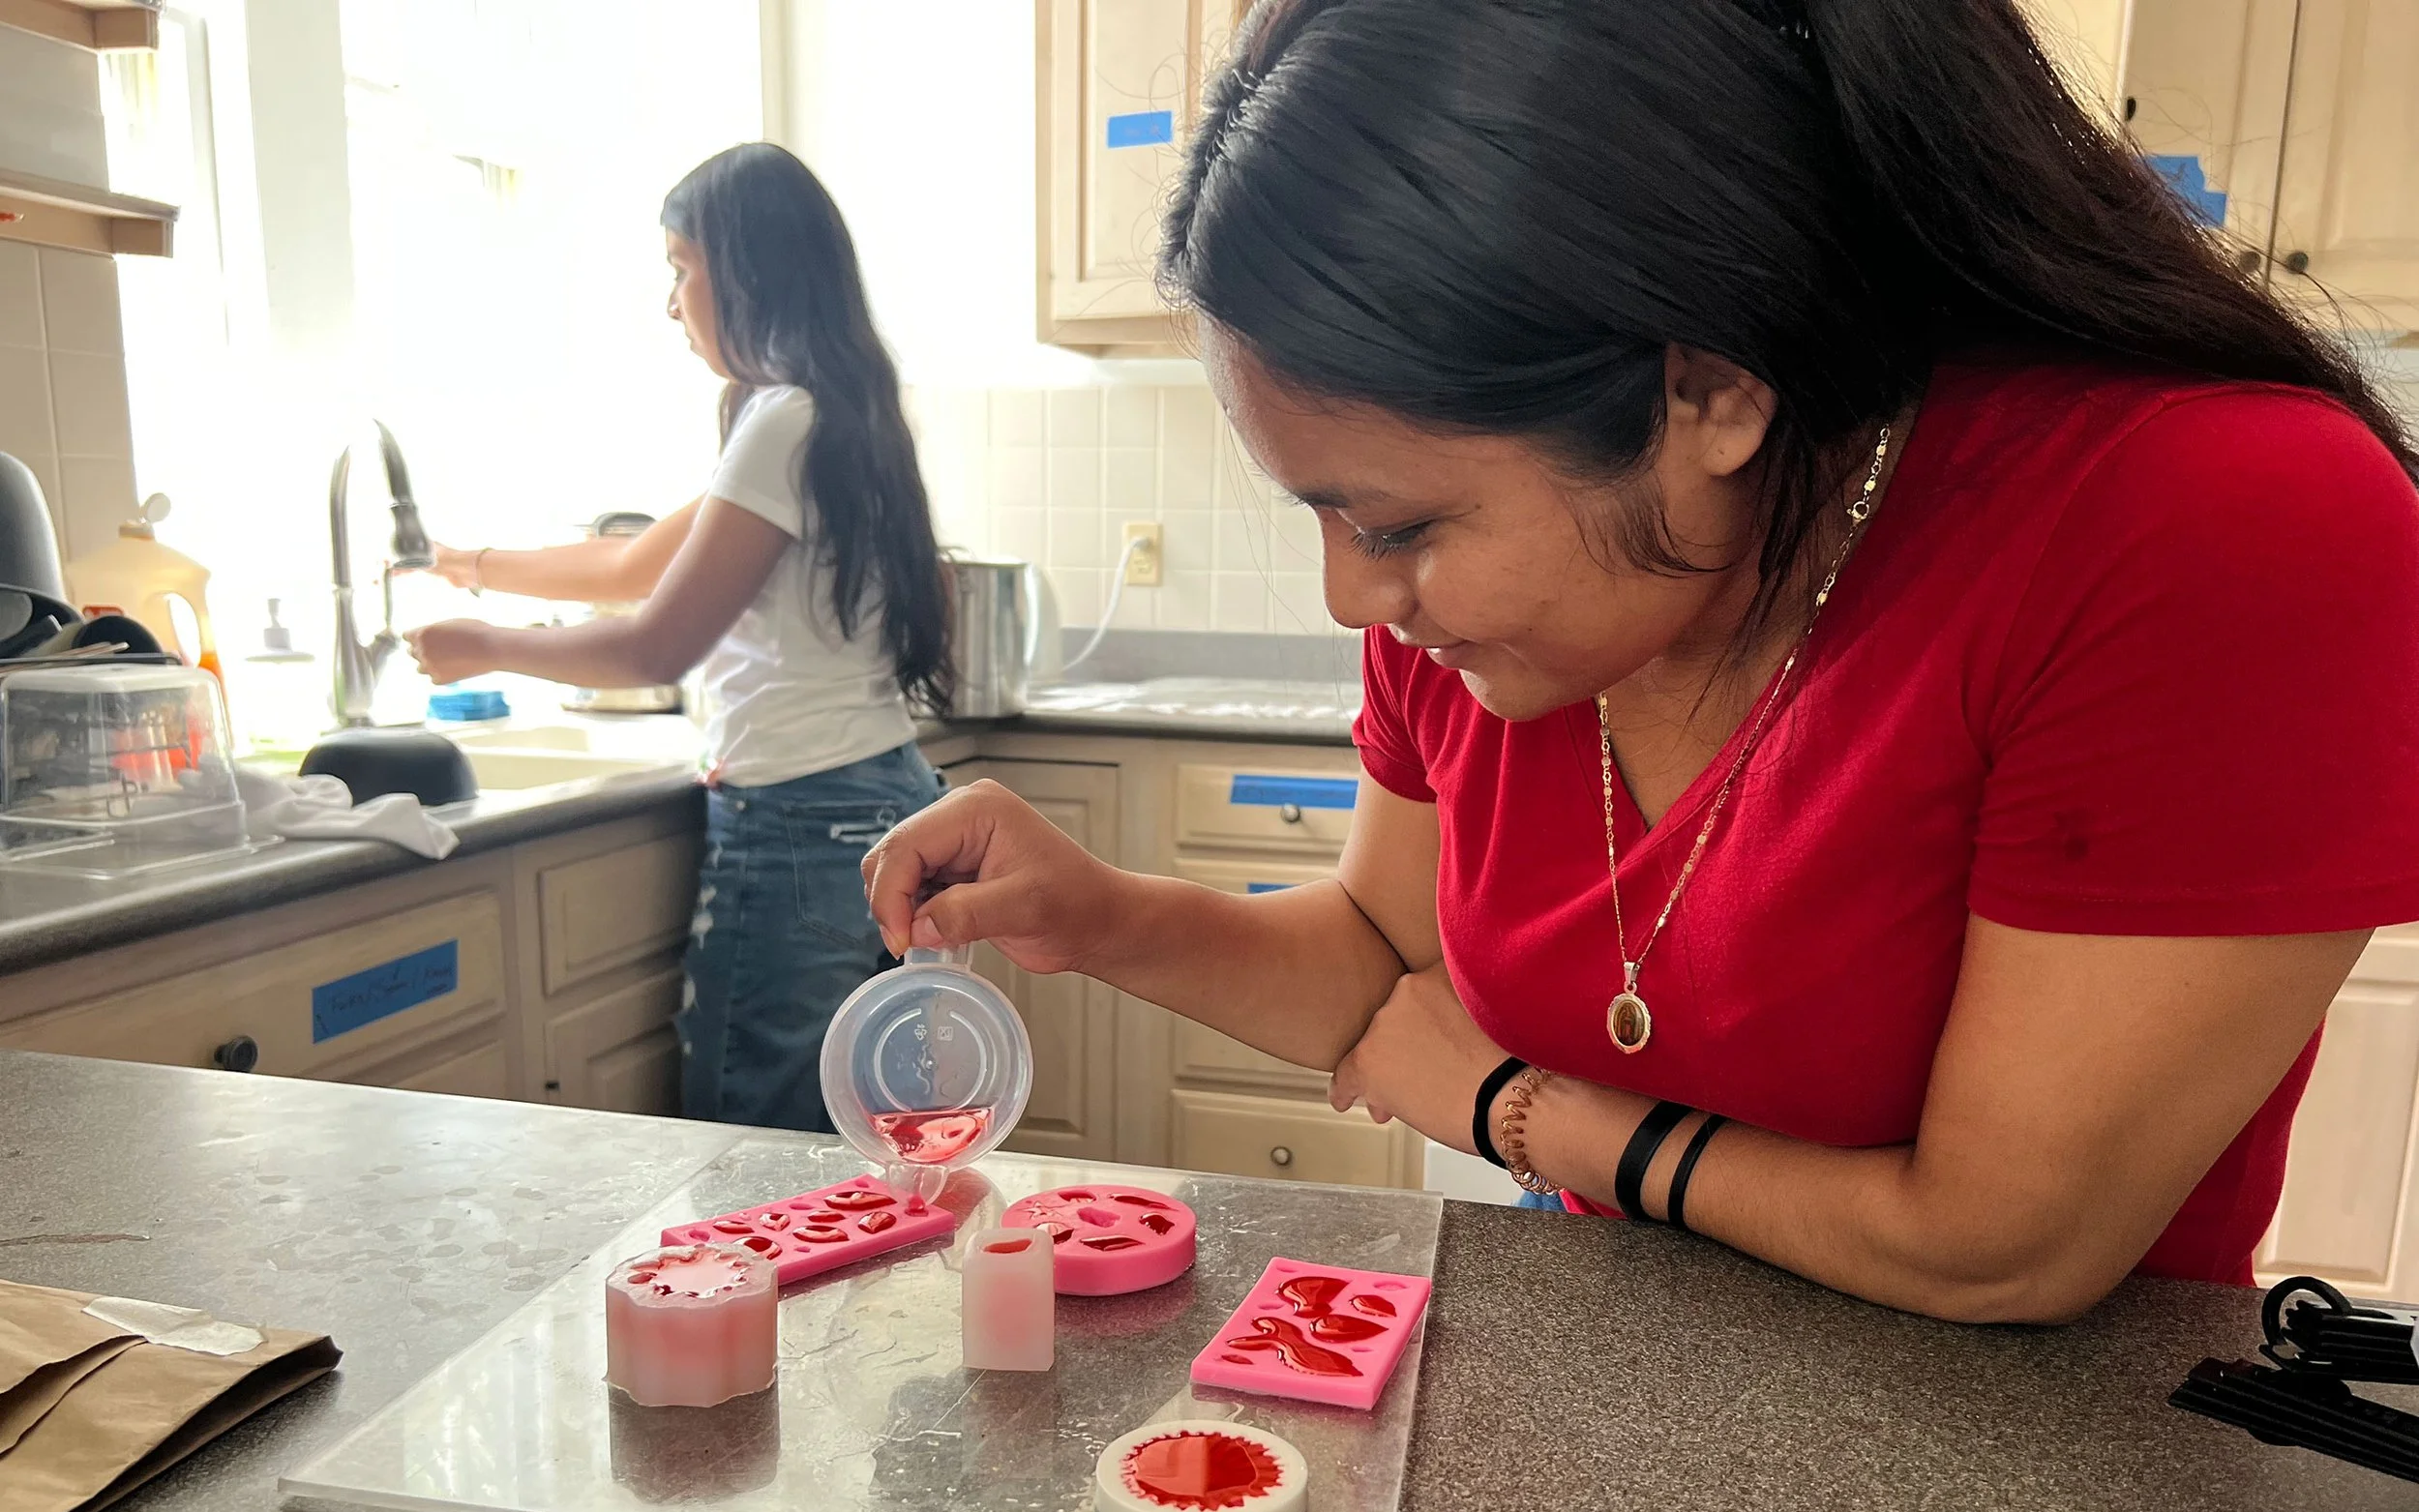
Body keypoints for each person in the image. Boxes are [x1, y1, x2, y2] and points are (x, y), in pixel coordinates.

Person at [863, 0, 2419, 1322]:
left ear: (1712, 394)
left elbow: (2003, 1240)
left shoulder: (2213, 523)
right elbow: (1372, 962)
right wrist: (1102, 916)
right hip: (1615, 1385)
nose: (1355, 595)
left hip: (2032, 1482)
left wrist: (1518, 1112)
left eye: (1398, 520)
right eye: (1324, 515)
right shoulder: (1490, 624)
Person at [409, 142, 951, 1132]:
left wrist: (482, 644)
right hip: (878, 797)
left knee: (759, 1138)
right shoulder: (841, 412)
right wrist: (472, 562)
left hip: (798, 816)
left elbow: (653, 647)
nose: (671, 302)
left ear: (742, 269)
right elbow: (630, 565)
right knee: (870, 1132)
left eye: (679, 268)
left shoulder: (782, 419)